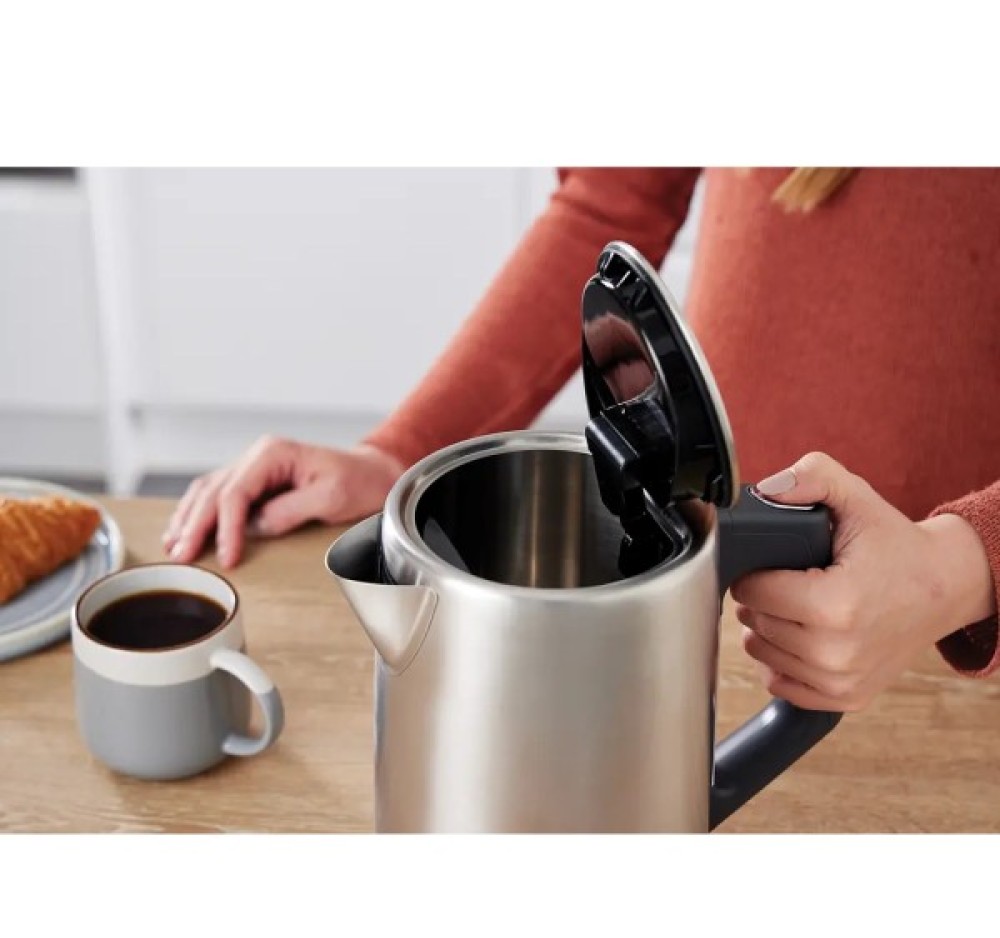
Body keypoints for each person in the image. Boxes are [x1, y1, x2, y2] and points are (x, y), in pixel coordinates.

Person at [163, 167, 1000, 711]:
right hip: (731, 622)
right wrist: (401, 449)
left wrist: (959, 567)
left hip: (961, 647)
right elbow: (611, 200)